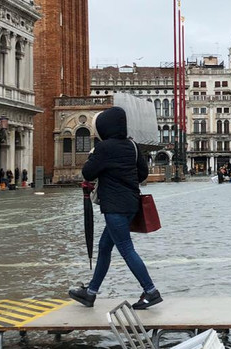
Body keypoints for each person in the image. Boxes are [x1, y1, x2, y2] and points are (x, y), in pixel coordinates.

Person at [68, 106, 163, 310]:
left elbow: (88, 172)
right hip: (131, 204)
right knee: (104, 247)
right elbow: (143, 174)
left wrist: (97, 158)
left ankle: (151, 291)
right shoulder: (133, 145)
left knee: (126, 249)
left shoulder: (104, 148)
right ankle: (90, 293)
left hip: (114, 207)